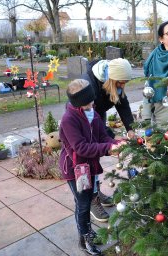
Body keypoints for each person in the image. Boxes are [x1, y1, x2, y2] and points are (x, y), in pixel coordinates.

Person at [59, 79, 125, 255]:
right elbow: (81, 148)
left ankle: (86, 232)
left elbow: (103, 137)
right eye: (89, 101)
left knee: (84, 201)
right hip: (75, 169)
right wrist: (109, 148)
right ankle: (84, 240)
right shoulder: (69, 119)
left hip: (90, 166)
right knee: (83, 204)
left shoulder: (92, 113)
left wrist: (118, 143)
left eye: (92, 99)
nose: (93, 103)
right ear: (79, 102)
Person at [82, 57, 135, 222]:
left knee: (96, 160)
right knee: (88, 160)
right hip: (83, 121)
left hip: (97, 115)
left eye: (125, 83)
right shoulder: (89, 85)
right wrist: (113, 137)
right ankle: (91, 200)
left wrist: (130, 129)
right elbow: (91, 118)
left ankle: (97, 193)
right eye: (120, 83)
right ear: (111, 79)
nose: (122, 86)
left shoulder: (114, 81)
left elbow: (123, 104)